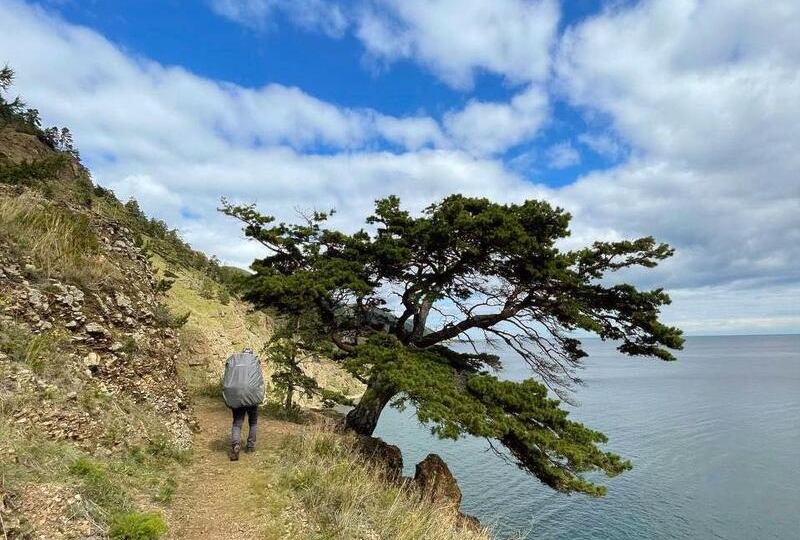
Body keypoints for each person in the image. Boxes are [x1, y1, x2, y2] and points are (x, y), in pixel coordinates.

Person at [225, 347, 263, 461]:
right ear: (251, 354)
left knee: (237, 423)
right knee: (253, 422)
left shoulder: (236, 362)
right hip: (252, 395)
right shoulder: (254, 362)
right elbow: (259, 380)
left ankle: (236, 445)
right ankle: (250, 446)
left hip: (236, 395)